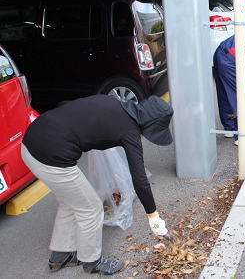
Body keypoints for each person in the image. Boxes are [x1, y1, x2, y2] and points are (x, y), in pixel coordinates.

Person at [21, 95, 174, 275]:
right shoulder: (129, 131)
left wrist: (86, 136)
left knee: (71, 201)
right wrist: (153, 217)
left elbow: (66, 104)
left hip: (32, 139)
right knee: (91, 207)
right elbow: (140, 180)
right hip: (50, 157)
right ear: (150, 125)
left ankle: (60, 255)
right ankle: (92, 261)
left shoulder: (112, 102)